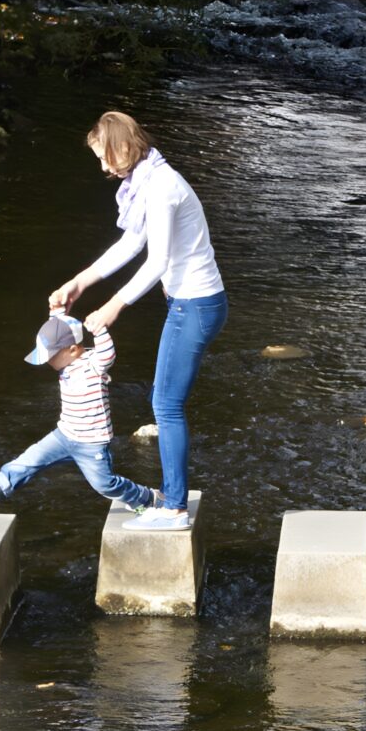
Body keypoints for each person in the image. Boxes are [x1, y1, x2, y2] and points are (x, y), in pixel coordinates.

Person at [48, 112, 225, 531]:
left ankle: (174, 509)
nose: (104, 168)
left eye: (105, 157)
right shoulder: (147, 181)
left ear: (125, 146)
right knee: (166, 402)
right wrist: (79, 281)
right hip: (191, 304)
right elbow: (132, 242)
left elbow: (158, 259)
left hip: (196, 306)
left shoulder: (161, 187)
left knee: (165, 404)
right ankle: (172, 499)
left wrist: (115, 305)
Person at [0, 313, 159, 513]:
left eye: (50, 356)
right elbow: (60, 329)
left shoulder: (94, 364)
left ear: (73, 350)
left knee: (104, 484)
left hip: (91, 442)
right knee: (31, 459)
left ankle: (145, 497)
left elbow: (108, 353)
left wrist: (99, 329)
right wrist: (57, 311)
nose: (48, 362)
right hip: (64, 434)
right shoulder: (66, 360)